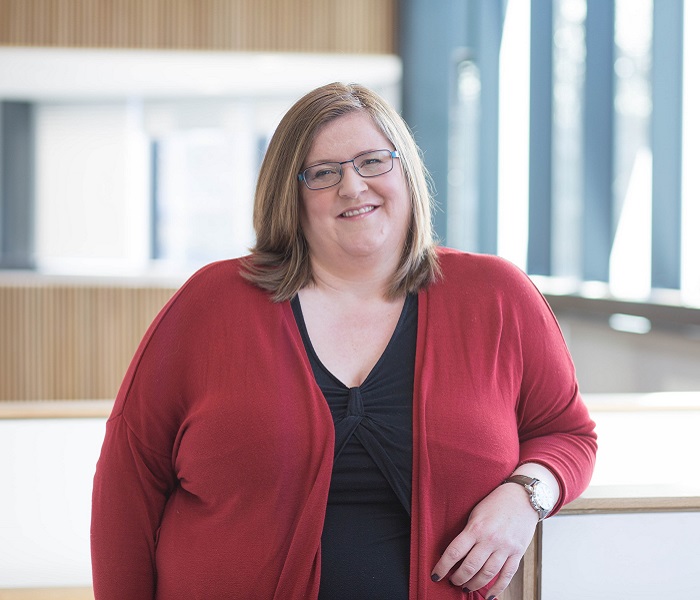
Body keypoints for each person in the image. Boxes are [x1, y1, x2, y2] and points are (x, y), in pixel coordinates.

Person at [91, 82, 596, 600]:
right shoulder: (210, 303)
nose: (352, 187)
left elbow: (568, 434)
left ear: (405, 171)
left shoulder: (496, 297)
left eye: (373, 161)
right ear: (290, 194)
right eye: (323, 173)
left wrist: (526, 495)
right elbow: (127, 489)